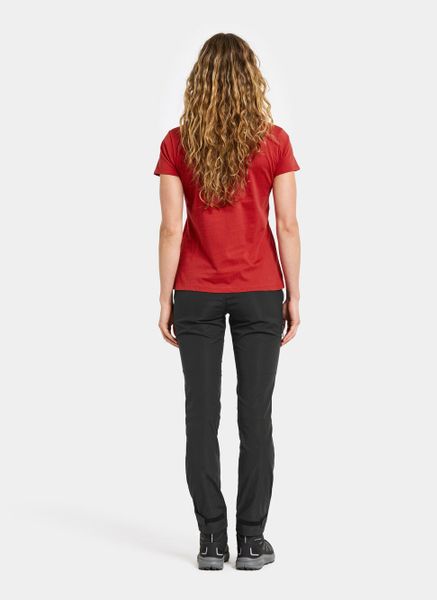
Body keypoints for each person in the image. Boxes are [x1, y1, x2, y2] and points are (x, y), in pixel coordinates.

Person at [154, 33, 301, 571]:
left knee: (201, 416)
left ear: (199, 82)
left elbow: (171, 228)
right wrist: (295, 294)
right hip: (261, 292)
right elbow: (287, 224)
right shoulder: (274, 141)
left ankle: (212, 540)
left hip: (195, 292)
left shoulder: (177, 144)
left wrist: (164, 298)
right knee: (255, 417)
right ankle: (252, 541)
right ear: (251, 80)